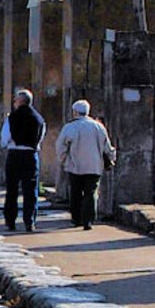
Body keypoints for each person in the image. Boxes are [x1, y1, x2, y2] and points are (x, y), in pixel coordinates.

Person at [55, 98, 115, 230]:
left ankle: (76, 218)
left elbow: (61, 146)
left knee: (76, 191)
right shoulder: (98, 127)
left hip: (75, 165)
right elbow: (107, 146)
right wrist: (111, 158)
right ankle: (88, 220)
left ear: (75, 112)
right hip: (94, 165)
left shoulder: (70, 127)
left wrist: (63, 159)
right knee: (91, 192)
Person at [0, 89, 47, 232]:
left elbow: (4, 138)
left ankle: (10, 221)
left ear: (20, 101)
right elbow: (40, 137)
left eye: (15, 100)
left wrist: (7, 145)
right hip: (31, 155)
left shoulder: (11, 117)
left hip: (14, 155)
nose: (14, 102)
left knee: (12, 189)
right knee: (31, 190)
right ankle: (29, 221)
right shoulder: (39, 119)